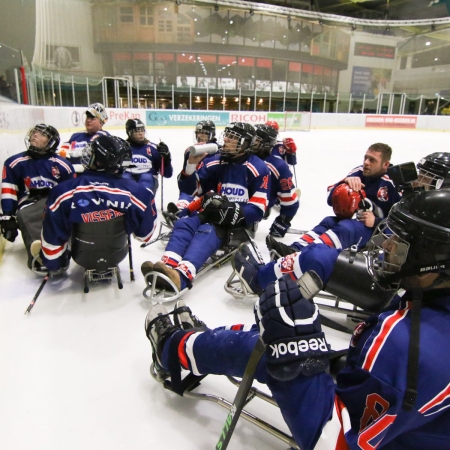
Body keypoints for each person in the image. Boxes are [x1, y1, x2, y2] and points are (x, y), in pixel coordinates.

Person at [144, 188, 450, 449]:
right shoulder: (424, 321)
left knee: (271, 347)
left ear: (434, 261)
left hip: (373, 429)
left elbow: (334, 442)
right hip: (412, 426)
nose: (387, 247)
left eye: (402, 243)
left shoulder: (405, 347)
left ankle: (175, 347)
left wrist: (299, 350)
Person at [140, 122, 270, 293]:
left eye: (234, 138)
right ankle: (166, 265)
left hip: (238, 224)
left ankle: (182, 275)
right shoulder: (215, 162)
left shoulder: (258, 168)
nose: (227, 140)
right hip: (210, 212)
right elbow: (190, 189)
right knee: (184, 223)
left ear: (246, 143)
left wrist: (231, 211)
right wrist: (191, 166)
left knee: (207, 230)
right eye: (227, 136)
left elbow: (259, 209)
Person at [33, 135, 157, 274]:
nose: (88, 154)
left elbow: (52, 235)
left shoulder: (62, 192)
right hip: (118, 255)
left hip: (80, 256)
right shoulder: (140, 193)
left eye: (92, 153)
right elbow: (144, 236)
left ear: (98, 161)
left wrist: (54, 263)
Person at [0, 124, 75, 270]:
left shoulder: (63, 164)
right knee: (25, 215)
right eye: (34, 133)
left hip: (54, 201)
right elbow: (9, 191)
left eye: (41, 134)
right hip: (28, 202)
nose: (35, 135)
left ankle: (59, 249)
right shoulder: (14, 162)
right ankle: (39, 255)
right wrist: (8, 216)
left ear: (51, 142)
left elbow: (70, 192)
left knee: (59, 215)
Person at [252, 123, 299, 237]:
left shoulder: (277, 165)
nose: (251, 141)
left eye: (256, 139)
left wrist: (283, 221)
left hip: (257, 205)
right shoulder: (240, 156)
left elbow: (290, 201)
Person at [121, 118, 173, 194]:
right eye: (137, 131)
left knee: (146, 177)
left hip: (148, 181)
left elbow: (167, 174)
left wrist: (167, 160)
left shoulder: (153, 148)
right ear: (129, 133)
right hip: (127, 181)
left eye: (142, 130)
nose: (141, 133)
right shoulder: (122, 148)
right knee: (125, 178)